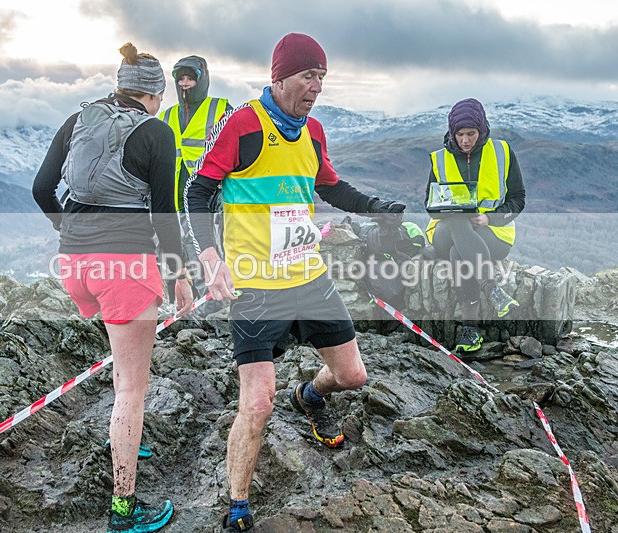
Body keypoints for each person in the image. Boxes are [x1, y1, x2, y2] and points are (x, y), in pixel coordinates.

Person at [184, 33, 405, 532]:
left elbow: (328, 185)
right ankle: (237, 508)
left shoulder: (314, 132)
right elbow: (199, 192)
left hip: (309, 276)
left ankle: (309, 396)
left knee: (353, 377)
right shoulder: (243, 125)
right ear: (279, 76)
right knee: (257, 402)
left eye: (322, 78)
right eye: (309, 76)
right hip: (257, 287)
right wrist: (208, 255)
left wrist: (375, 207)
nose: (317, 87)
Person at [32, 43, 193, 533]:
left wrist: (75, 236)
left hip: (75, 265)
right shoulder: (156, 133)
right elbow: (166, 216)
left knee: (122, 367)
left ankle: (124, 434)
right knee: (131, 388)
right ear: (154, 93)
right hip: (125, 268)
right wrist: (180, 275)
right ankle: (124, 508)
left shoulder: (79, 119)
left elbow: (42, 189)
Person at [424, 97, 526, 353]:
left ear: (482, 130)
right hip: (445, 232)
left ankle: (470, 330)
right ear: (452, 132)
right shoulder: (439, 158)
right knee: (458, 219)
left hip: (492, 234)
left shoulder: (502, 151)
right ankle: (492, 289)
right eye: (460, 134)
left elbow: (517, 199)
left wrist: (489, 218)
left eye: (471, 133)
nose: (466, 140)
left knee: (459, 253)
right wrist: (449, 208)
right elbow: (429, 203)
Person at [159, 56, 231, 305]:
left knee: (222, 244)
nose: (185, 84)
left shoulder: (221, 108)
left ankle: (228, 295)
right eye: (181, 79)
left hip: (216, 191)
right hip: (181, 195)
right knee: (193, 247)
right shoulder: (166, 116)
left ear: (202, 81)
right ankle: (209, 301)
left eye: (190, 78)